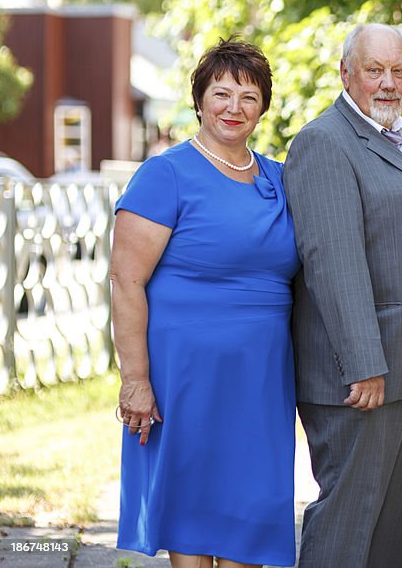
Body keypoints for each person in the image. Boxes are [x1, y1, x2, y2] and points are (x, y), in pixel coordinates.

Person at [111, 38, 298, 567]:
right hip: (183, 376)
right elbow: (126, 281)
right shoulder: (164, 175)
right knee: (191, 513)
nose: (233, 108)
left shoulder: (281, 179)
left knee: (253, 508)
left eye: (248, 97)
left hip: (261, 378)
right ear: (199, 101)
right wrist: (136, 380)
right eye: (221, 94)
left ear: (263, 107)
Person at [283, 23, 402, 568]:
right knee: (346, 528)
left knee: (392, 530)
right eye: (374, 70)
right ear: (345, 73)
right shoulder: (325, 142)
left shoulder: (399, 141)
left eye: (398, 71)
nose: (388, 83)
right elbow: (333, 263)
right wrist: (364, 363)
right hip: (362, 376)